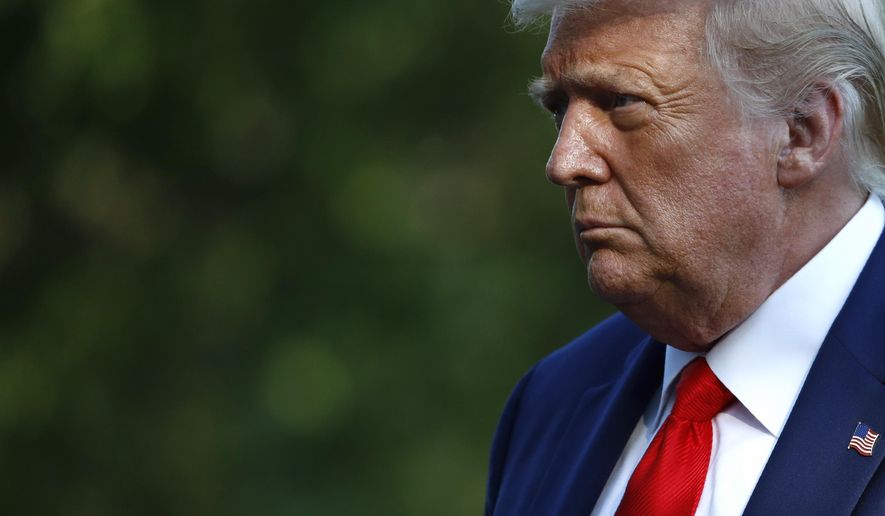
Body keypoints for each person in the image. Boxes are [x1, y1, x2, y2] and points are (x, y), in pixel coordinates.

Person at [485, 0, 885, 515]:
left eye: (622, 101)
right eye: (559, 109)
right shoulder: (551, 402)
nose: (565, 162)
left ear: (801, 130)